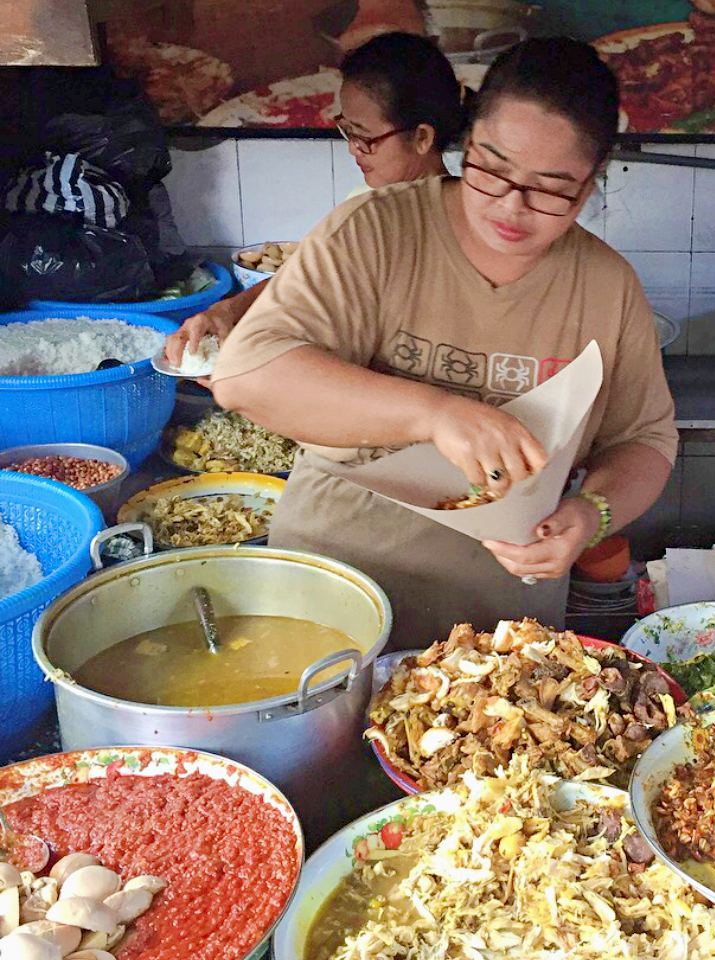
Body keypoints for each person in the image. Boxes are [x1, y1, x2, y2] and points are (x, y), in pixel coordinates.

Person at [208, 38, 677, 649]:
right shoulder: (376, 230)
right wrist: (435, 412)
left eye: (551, 188)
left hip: (502, 624)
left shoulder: (606, 285)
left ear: (588, 189)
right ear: (464, 142)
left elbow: (644, 439)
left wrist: (590, 514)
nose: (512, 205)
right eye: (492, 167)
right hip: (333, 593)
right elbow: (247, 376)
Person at [164, 31, 464, 364]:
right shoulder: (364, 201)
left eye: (364, 137)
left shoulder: (457, 226)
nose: (352, 147)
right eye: (347, 130)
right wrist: (227, 311)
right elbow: (305, 276)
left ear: (421, 137)